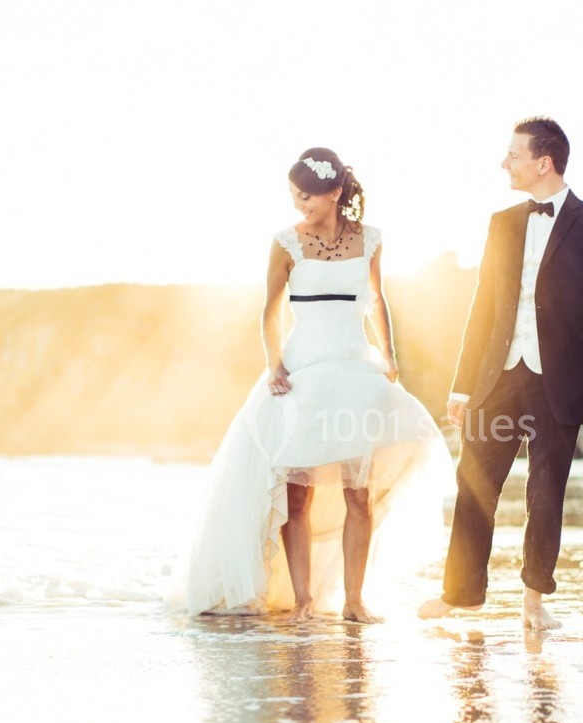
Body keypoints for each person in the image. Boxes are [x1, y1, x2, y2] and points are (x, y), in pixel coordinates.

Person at [170, 147, 453, 624]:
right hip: (301, 372)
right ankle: (302, 600)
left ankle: (354, 601)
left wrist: (390, 355)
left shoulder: (371, 239)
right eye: (294, 195)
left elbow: (377, 300)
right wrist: (274, 363)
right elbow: (270, 310)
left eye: (306, 196)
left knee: (357, 490)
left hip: (355, 368)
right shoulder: (285, 243)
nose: (299, 203)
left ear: (335, 192)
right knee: (295, 491)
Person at [419, 117, 583, 631]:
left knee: (546, 490)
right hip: (497, 375)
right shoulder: (502, 223)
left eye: (514, 156)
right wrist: (461, 386)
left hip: (560, 381)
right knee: (473, 480)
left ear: (543, 162)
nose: (505, 164)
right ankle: (461, 594)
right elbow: (483, 309)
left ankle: (533, 602)